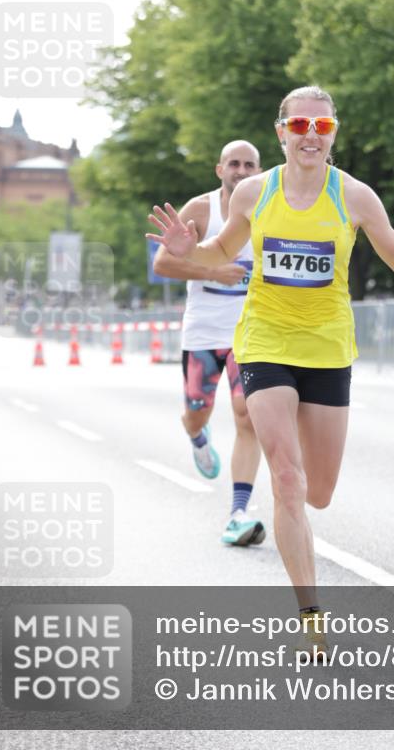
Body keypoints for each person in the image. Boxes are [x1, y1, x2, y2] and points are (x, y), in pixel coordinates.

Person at [147, 85, 394, 656]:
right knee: (286, 477)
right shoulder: (255, 192)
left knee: (321, 492)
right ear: (281, 132)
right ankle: (310, 614)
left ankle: (298, 503)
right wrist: (190, 249)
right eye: (300, 126)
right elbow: (218, 253)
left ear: (333, 133)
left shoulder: (356, 197)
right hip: (264, 340)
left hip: (328, 348)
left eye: (322, 127)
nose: (311, 136)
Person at [153, 140, 265, 547]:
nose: (241, 170)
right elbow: (162, 262)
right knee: (197, 412)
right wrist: (215, 272)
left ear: (259, 171)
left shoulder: (270, 207)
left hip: (249, 332)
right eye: (234, 163)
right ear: (220, 169)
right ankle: (197, 437)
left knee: (246, 416)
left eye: (249, 164)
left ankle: (238, 511)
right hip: (203, 331)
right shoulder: (201, 210)